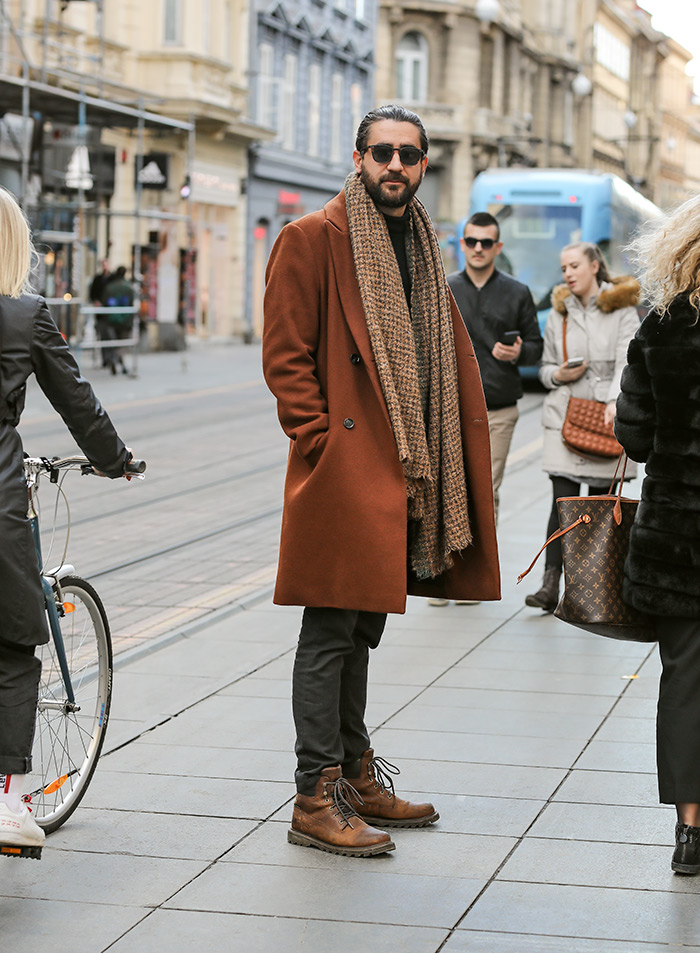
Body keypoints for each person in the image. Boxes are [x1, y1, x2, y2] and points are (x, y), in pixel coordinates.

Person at [262, 104, 500, 857]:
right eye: (383, 153)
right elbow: (286, 355)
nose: (396, 165)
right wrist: (321, 441)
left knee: (363, 624)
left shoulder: (422, 245)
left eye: (410, 155)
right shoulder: (312, 237)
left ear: (424, 165)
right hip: (348, 467)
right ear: (359, 157)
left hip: (404, 464)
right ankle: (313, 793)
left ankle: (357, 773)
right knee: (329, 627)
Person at [0, 189, 137, 860]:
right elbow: (76, 401)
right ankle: (11, 803)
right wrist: (114, 460)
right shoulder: (26, 316)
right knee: (15, 640)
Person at [615, 194, 700, 875]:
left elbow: (634, 435)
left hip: (676, 541)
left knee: (684, 680)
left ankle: (689, 830)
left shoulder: (659, 329)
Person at [525, 241, 639, 612]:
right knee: (563, 503)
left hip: (605, 418)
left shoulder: (622, 309)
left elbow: (628, 361)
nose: (568, 274)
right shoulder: (558, 314)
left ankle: (592, 588)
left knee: (601, 507)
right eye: (563, 268)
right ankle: (549, 585)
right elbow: (543, 369)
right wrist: (557, 374)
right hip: (566, 417)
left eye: (574, 265)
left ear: (594, 266)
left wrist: (612, 402)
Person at [448, 214, 543, 516]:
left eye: (486, 242)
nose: (479, 248)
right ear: (462, 244)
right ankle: (454, 564)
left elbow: (536, 348)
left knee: (486, 492)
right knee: (451, 494)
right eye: (472, 241)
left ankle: (486, 565)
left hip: (498, 410)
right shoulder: (443, 288)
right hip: (452, 410)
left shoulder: (517, 292)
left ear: (497, 246)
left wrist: (517, 353)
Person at [101, 265, 135, 376]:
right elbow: (131, 303)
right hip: (125, 320)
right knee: (121, 344)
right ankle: (120, 362)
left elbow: (104, 301)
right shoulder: (129, 287)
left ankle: (115, 362)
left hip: (111, 318)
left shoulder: (109, 287)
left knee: (113, 342)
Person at [89, 260, 111, 367]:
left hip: (110, 312)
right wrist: (96, 301)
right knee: (102, 335)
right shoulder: (98, 279)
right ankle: (106, 359)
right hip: (101, 313)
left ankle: (112, 359)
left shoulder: (112, 278)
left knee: (111, 336)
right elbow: (92, 294)